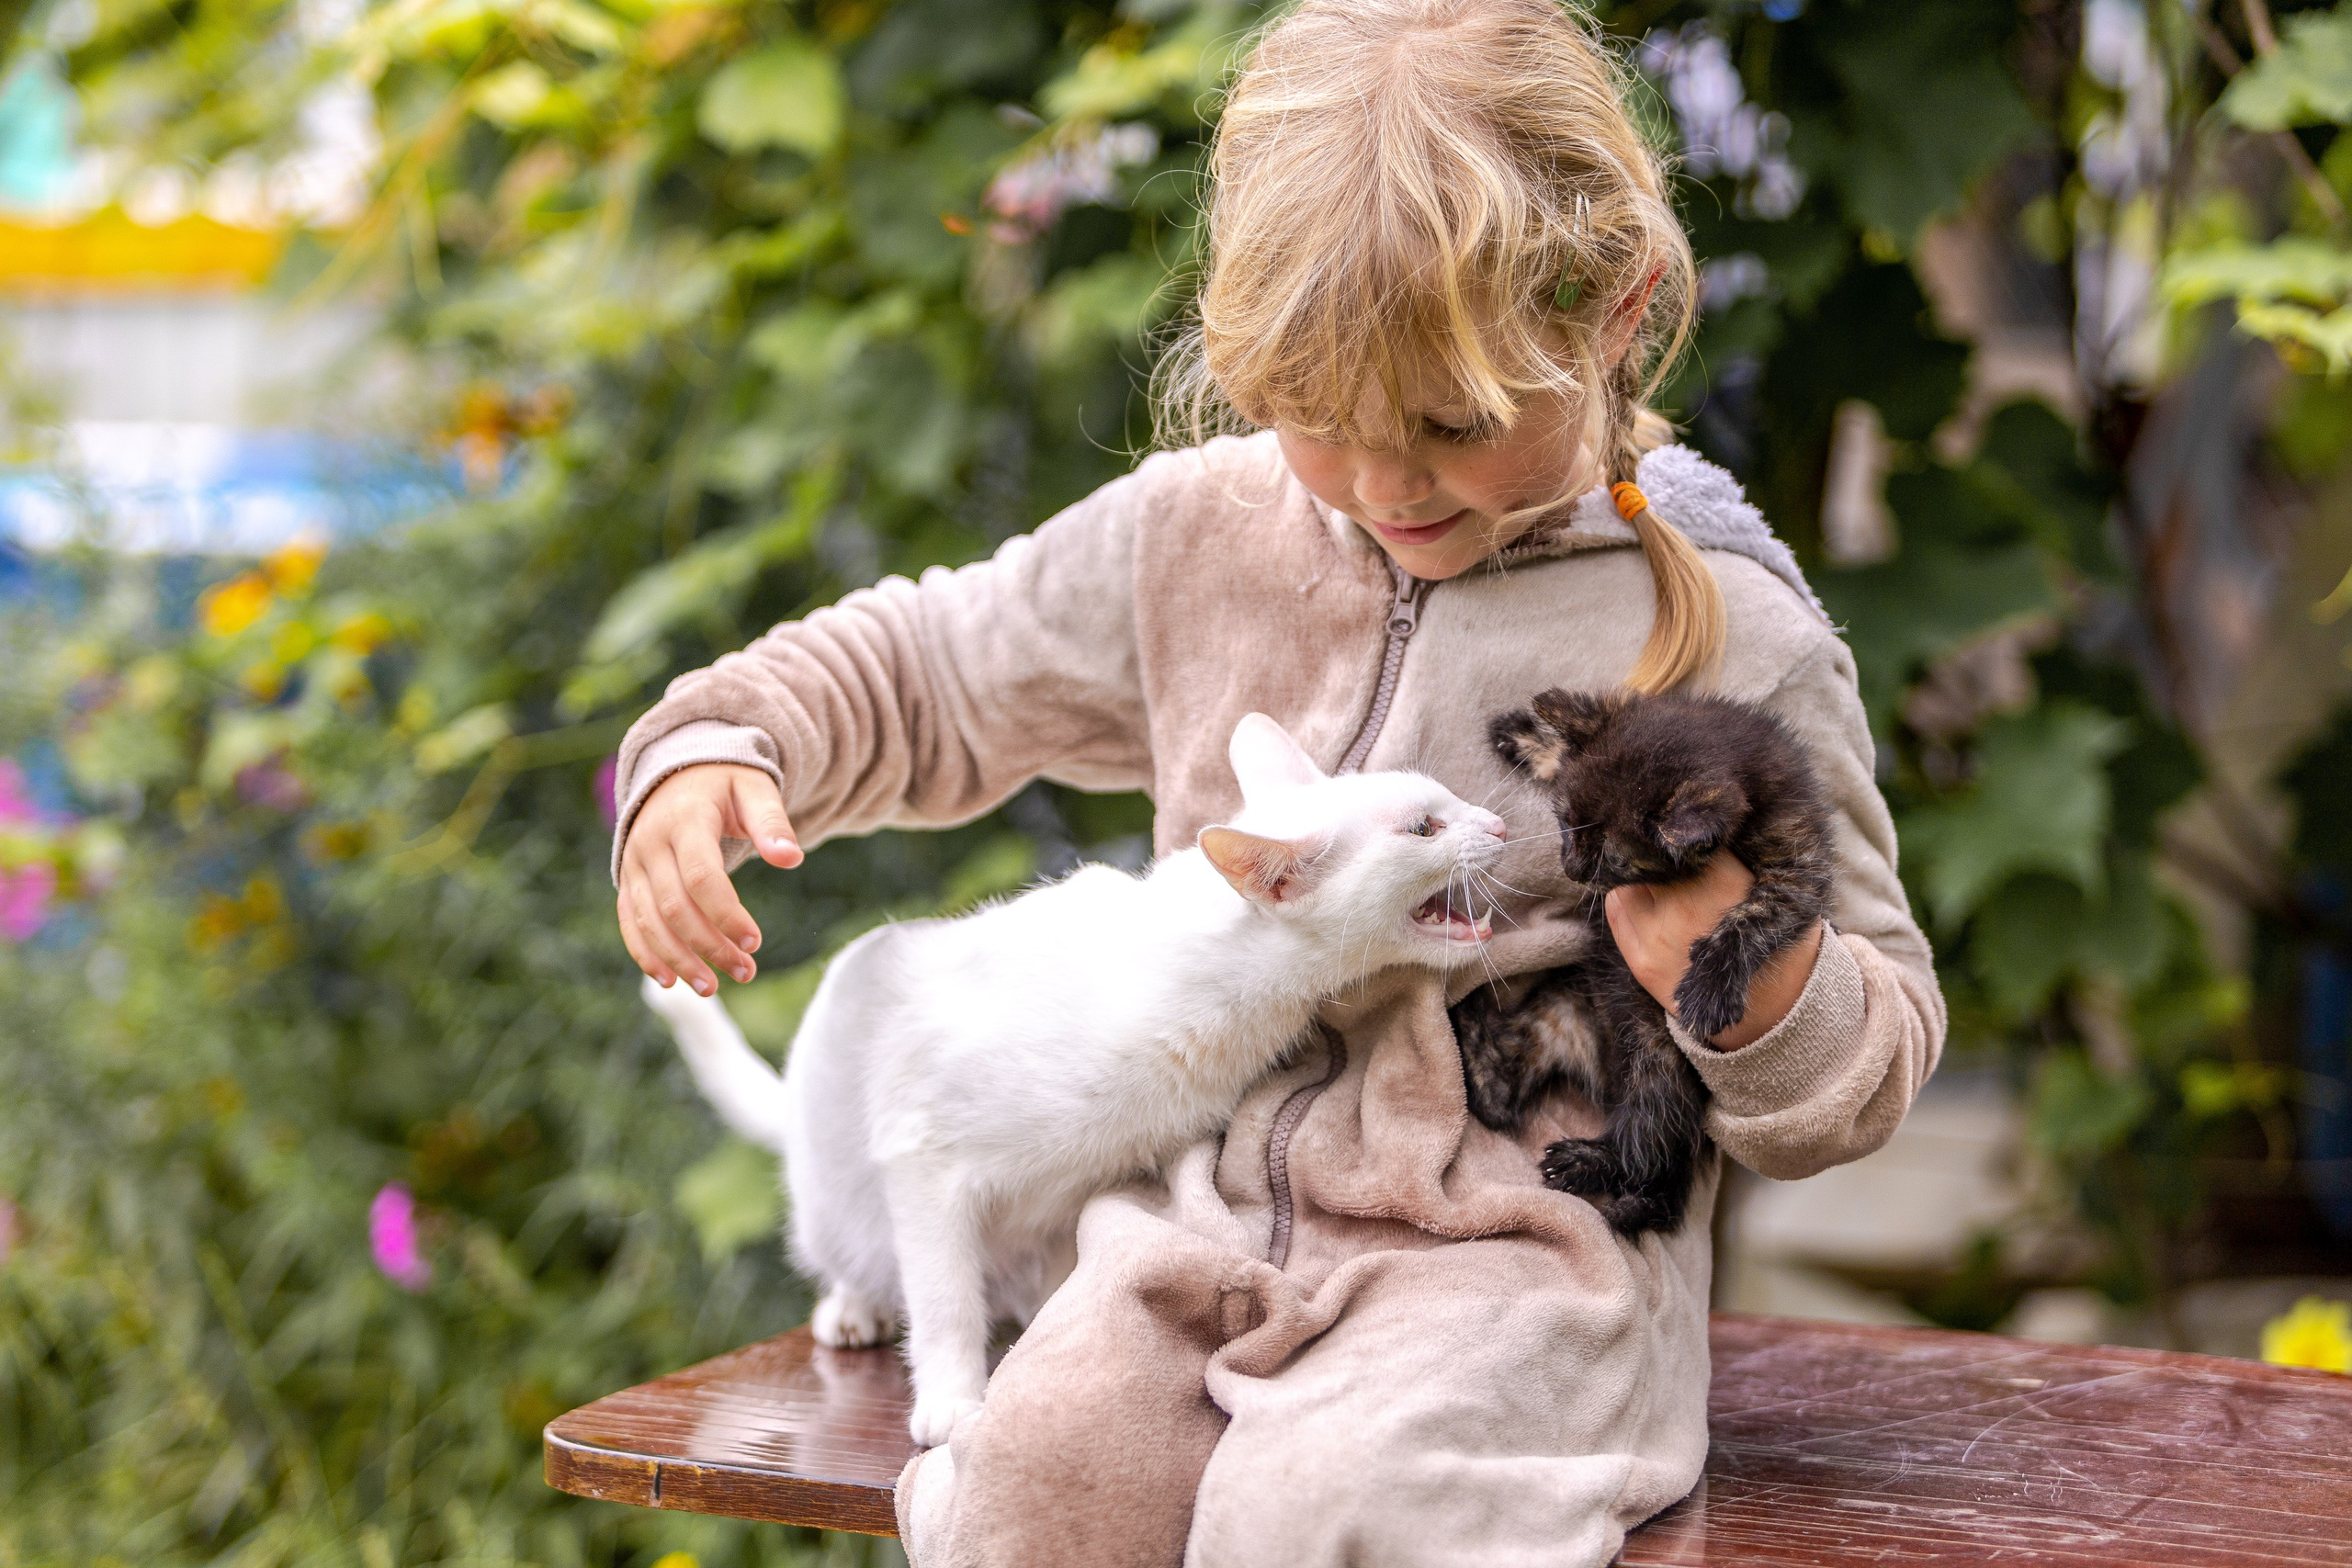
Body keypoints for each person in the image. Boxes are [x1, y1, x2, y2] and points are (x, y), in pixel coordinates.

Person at [609, 2, 1943, 1562]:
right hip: (1190, 1216)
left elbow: (1885, 1028)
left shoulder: (1728, 633)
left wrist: (1758, 981)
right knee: (1028, 1481)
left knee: (1319, 1513)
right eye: (1315, 418)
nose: (1385, 487)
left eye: (1449, 423)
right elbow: (932, 668)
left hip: (1520, 1270)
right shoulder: (1199, 538)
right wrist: (722, 741)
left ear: (1613, 309)